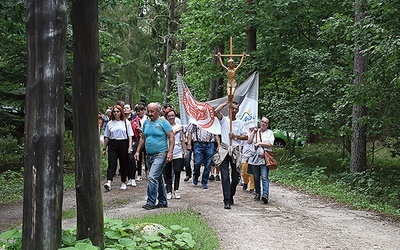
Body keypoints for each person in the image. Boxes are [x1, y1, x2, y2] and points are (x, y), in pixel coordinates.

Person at [134, 102, 175, 210]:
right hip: (149, 155)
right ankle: (162, 201)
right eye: (149, 111)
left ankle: (150, 202)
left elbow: (171, 137)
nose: (150, 113)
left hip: (161, 153)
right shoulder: (146, 123)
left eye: (152, 111)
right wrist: (138, 151)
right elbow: (143, 138)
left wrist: (170, 152)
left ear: (158, 111)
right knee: (158, 178)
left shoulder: (163, 122)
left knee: (152, 177)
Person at [215, 100, 247, 209]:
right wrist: (226, 102)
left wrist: (236, 136)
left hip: (235, 151)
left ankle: (231, 193)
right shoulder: (224, 120)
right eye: (232, 108)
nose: (234, 111)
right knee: (225, 176)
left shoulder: (240, 123)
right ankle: (227, 200)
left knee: (235, 176)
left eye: (236, 109)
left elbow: (246, 136)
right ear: (229, 109)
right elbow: (216, 111)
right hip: (224, 150)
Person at [103, 105, 134, 191]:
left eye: (118, 111)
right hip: (113, 143)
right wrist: (104, 148)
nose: (116, 113)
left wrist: (130, 147)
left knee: (123, 163)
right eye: (114, 111)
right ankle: (109, 181)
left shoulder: (126, 122)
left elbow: (130, 136)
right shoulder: (110, 123)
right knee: (112, 163)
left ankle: (123, 181)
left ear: (121, 112)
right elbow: (107, 136)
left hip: (123, 143)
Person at [247, 117, 274, 204]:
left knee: (264, 176)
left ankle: (265, 195)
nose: (263, 123)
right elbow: (249, 141)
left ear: (268, 125)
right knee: (256, 176)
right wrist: (254, 132)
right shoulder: (255, 131)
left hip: (264, 158)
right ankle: (257, 193)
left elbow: (270, 144)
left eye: (266, 122)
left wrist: (260, 143)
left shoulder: (270, 133)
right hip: (255, 158)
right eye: (262, 121)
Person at [187, 123, 219, 189]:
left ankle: (204, 181)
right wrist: (189, 143)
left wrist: (218, 144)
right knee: (197, 162)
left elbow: (216, 134)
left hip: (210, 144)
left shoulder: (212, 121)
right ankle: (196, 175)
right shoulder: (195, 121)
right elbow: (190, 133)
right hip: (198, 143)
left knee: (208, 164)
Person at [164, 108, 186, 199]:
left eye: (172, 115)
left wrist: (185, 151)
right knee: (168, 172)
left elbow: (182, 140)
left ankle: (176, 189)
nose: (171, 117)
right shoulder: (164, 126)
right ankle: (168, 190)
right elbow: (169, 135)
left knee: (177, 171)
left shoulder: (179, 126)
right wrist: (176, 130)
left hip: (178, 151)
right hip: (167, 150)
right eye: (169, 116)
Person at [134, 103, 147, 180]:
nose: (138, 113)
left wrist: (141, 129)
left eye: (139, 111)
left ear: (143, 111)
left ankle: (147, 171)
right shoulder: (135, 120)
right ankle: (138, 173)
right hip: (138, 139)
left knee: (146, 156)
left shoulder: (147, 119)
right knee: (138, 155)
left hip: (146, 139)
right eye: (137, 111)